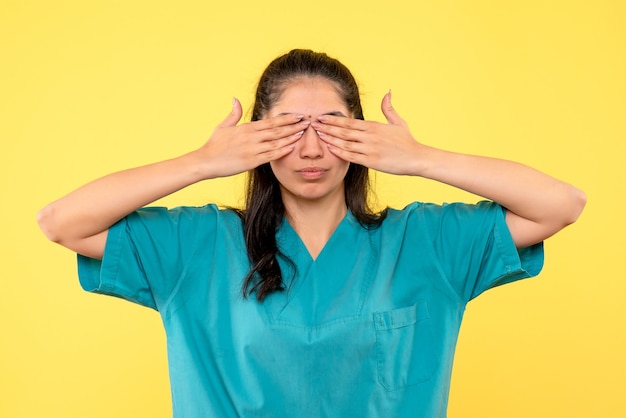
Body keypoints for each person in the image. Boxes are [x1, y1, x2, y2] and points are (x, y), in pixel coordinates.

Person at [37, 49, 586, 417]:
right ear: (256, 139)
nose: (310, 150)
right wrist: (201, 162)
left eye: (331, 127)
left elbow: (561, 204)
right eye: (288, 129)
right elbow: (61, 222)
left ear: (363, 136)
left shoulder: (427, 243)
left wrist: (422, 158)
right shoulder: (196, 247)